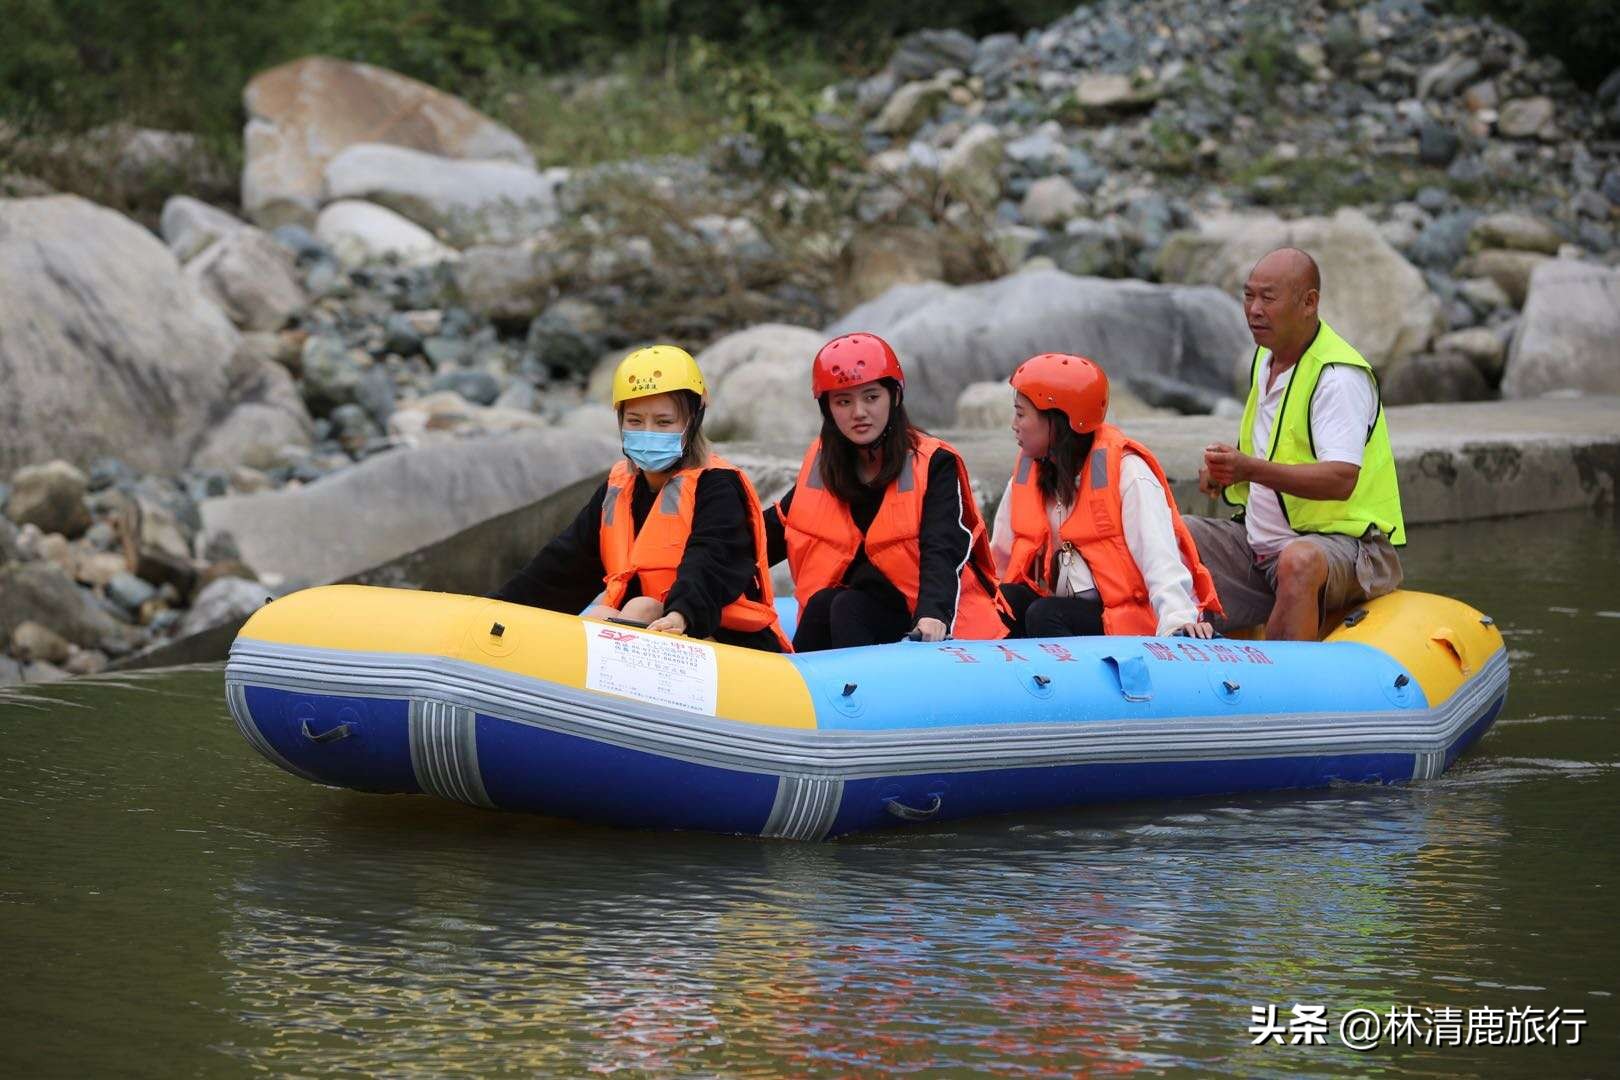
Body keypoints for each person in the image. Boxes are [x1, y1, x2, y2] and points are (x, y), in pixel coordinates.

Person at [493, 345, 790, 652]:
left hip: (718, 634)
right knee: (605, 613)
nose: (649, 432)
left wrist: (682, 613)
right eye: (635, 421)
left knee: (642, 607)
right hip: (646, 630)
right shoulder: (619, 488)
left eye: (664, 422)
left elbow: (712, 558)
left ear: (693, 419)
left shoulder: (717, 486)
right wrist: (495, 610)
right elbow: (562, 567)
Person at [1188, 246, 1405, 641]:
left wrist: (1248, 468)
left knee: (1298, 560)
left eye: (1267, 298)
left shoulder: (1338, 377)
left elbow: (1341, 480)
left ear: (1309, 303)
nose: (1254, 309)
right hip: (1260, 543)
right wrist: (1224, 475)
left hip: (1353, 549)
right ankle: (1208, 661)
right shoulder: (1265, 359)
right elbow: (1270, 457)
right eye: (1248, 295)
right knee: (1178, 532)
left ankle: (1287, 682)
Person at [762, 332, 1007, 651]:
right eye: (844, 401)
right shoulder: (825, 467)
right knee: (826, 605)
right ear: (828, 409)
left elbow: (942, 546)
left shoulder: (933, 463)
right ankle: (797, 694)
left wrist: (934, 613)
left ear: (894, 396)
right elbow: (766, 534)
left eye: (871, 397)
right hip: (855, 611)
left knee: (846, 607)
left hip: (928, 622)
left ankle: (859, 696)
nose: (858, 412)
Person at [990, 352, 1222, 639]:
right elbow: (998, 561)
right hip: (1068, 611)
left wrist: (1177, 620)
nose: (1014, 424)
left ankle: (1069, 683)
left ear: (1058, 421)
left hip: (1130, 622)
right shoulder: (1028, 474)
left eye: (1021, 413)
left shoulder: (1128, 472)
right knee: (1004, 601)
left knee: (1045, 615)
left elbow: (1159, 556)